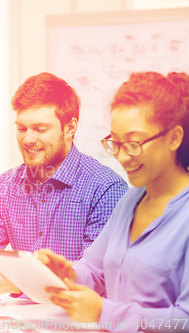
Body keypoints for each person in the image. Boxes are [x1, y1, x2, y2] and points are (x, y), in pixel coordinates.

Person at [39, 72, 189, 331]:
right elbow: (95, 270)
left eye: (133, 143)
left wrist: (103, 311)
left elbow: (184, 319)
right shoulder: (130, 201)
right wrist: (68, 274)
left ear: (174, 138)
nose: (122, 156)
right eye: (115, 142)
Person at [0, 72, 128, 295]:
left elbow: (100, 277)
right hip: (23, 318)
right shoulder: (5, 185)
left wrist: (22, 282)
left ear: (70, 128)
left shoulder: (106, 188)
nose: (28, 139)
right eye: (21, 128)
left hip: (80, 322)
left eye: (40, 129)